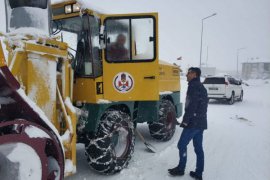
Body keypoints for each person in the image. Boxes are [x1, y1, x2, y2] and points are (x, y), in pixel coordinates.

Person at [168, 67, 208, 180]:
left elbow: (192, 105)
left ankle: (181, 169)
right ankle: (199, 173)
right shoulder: (201, 86)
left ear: (195, 74)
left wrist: (186, 121)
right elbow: (202, 105)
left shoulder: (193, 86)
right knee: (199, 148)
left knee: (181, 145)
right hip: (201, 122)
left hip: (193, 123)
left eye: (189, 73)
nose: (186, 75)